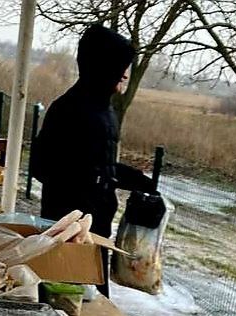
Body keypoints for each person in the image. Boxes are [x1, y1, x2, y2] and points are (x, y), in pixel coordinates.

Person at [30, 24, 154, 290]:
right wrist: (91, 184)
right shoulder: (68, 109)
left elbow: (96, 163)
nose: (125, 75)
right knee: (68, 300)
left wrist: (127, 177)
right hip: (70, 235)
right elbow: (41, 166)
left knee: (90, 298)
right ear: (102, 67)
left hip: (96, 230)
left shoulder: (105, 110)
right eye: (120, 68)